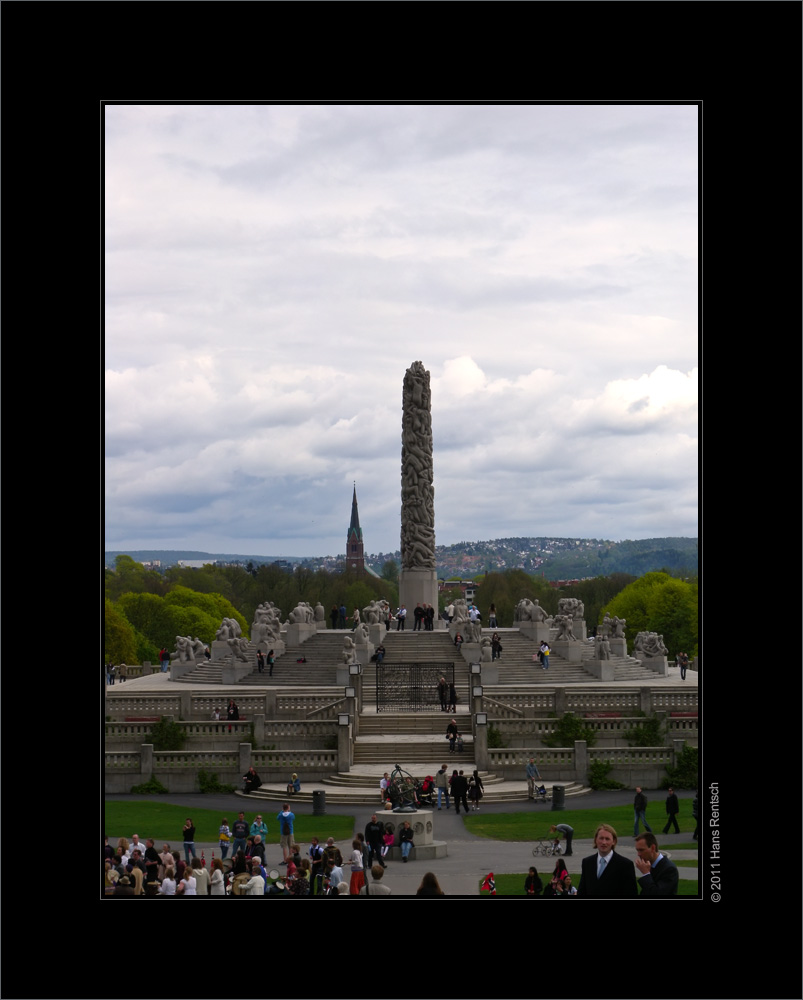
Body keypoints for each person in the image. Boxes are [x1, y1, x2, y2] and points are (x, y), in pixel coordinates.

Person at [577, 823, 638, 898]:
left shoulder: (625, 865)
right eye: (601, 838)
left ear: (614, 841)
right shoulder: (587, 862)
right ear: (596, 839)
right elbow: (582, 891)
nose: (604, 842)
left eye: (607, 839)